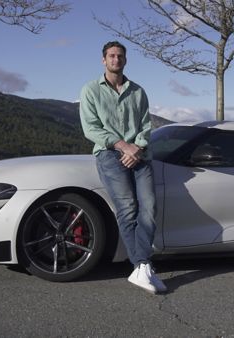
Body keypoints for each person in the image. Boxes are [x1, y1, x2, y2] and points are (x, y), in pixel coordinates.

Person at [79, 41, 167, 294]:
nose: (116, 59)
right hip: (109, 154)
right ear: (103, 60)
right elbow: (91, 128)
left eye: (120, 56)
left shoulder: (138, 91)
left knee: (149, 208)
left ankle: (141, 268)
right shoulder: (90, 90)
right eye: (111, 56)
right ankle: (143, 264)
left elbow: (145, 125)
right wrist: (122, 146)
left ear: (125, 60)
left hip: (140, 154)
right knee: (128, 208)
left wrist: (136, 148)